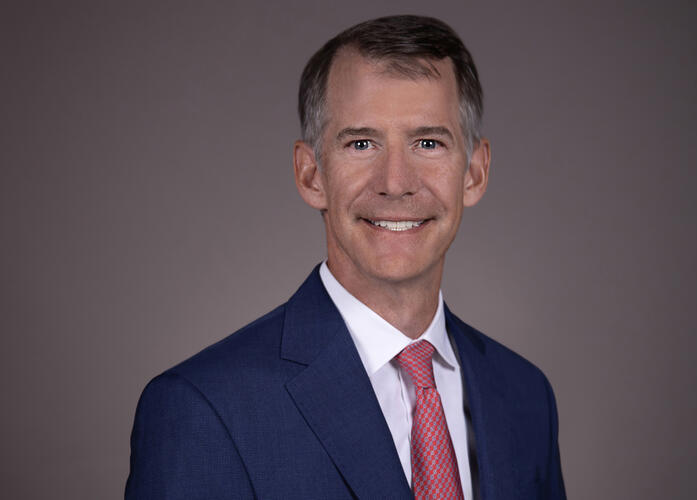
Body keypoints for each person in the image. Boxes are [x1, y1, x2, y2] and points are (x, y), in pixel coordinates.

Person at [126, 15, 565, 499]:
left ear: (475, 174)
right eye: (361, 143)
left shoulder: (526, 396)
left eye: (428, 143)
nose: (396, 181)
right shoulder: (204, 410)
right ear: (312, 174)